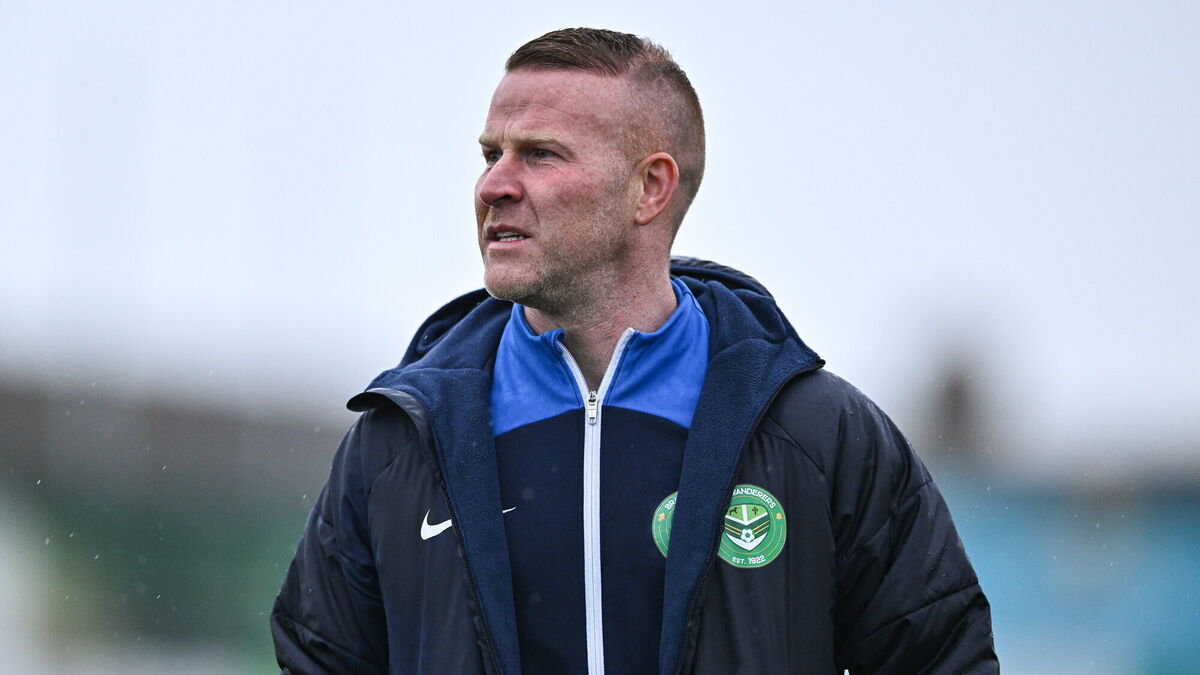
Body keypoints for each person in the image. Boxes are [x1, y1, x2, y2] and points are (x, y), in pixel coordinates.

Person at [271, 28, 998, 674]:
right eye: (491, 155)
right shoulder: (399, 445)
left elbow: (941, 656)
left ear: (650, 188)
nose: (493, 186)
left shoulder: (818, 435)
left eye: (540, 155)